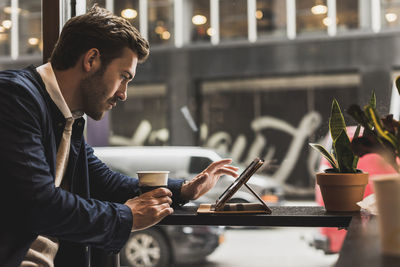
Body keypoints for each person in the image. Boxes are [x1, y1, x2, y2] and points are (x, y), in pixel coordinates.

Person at [0, 5, 238, 267]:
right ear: (91, 60)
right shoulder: (14, 96)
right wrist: (127, 216)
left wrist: (183, 190)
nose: (124, 93)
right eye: (123, 77)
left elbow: (105, 183)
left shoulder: (67, 117)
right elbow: (38, 203)